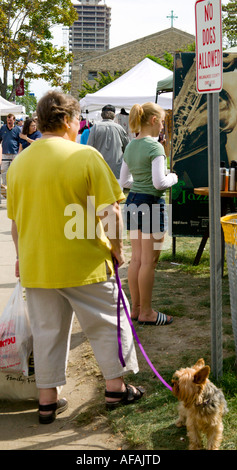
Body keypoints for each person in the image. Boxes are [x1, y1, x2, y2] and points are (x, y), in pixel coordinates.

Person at [7, 91, 144, 424]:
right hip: (86, 261)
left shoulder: (20, 162)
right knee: (106, 323)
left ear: (40, 121)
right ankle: (115, 386)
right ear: (69, 121)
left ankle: (47, 401)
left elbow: (16, 222)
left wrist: (21, 257)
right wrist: (116, 248)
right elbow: (110, 211)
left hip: (38, 262)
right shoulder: (85, 155)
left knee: (47, 332)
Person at [120, 102, 178, 326]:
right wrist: (174, 176)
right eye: (163, 121)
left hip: (133, 200)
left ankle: (135, 309)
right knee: (149, 263)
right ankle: (146, 312)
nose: (163, 125)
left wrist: (140, 183)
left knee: (136, 259)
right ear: (153, 120)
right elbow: (160, 182)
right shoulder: (156, 148)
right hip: (152, 203)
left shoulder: (131, 146)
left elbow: (124, 181)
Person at [87, 104, 129, 182]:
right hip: (116, 169)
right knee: (116, 193)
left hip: (99, 167)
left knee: (99, 193)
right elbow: (127, 148)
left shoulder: (95, 127)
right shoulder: (119, 128)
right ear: (114, 115)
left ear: (102, 115)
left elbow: (89, 147)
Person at [0, 114, 21, 185]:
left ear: (14, 121)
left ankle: (13, 185)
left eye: (11, 120)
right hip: (5, 154)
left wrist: (18, 154)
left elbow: (20, 143)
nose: (9, 122)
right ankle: (5, 186)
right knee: (3, 170)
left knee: (14, 171)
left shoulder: (18, 129)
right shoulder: (3, 128)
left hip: (14, 154)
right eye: (8, 120)